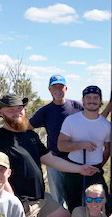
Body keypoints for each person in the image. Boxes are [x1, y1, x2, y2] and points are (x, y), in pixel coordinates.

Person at [28, 75, 84, 209]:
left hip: (76, 160)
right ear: (49, 89)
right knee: (58, 199)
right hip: (55, 161)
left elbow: (92, 121)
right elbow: (27, 128)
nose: (58, 90)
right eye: (54, 87)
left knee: (77, 198)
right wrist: (37, 149)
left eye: (60, 87)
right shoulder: (45, 111)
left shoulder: (77, 107)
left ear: (66, 88)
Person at [58, 85, 112, 213]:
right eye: (88, 97)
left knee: (103, 207)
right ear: (83, 100)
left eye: (95, 98)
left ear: (100, 101)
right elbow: (61, 146)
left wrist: (98, 165)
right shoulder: (71, 121)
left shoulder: (106, 125)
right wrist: (79, 145)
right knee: (74, 208)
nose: (92, 100)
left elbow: (107, 149)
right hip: (74, 170)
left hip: (95, 171)